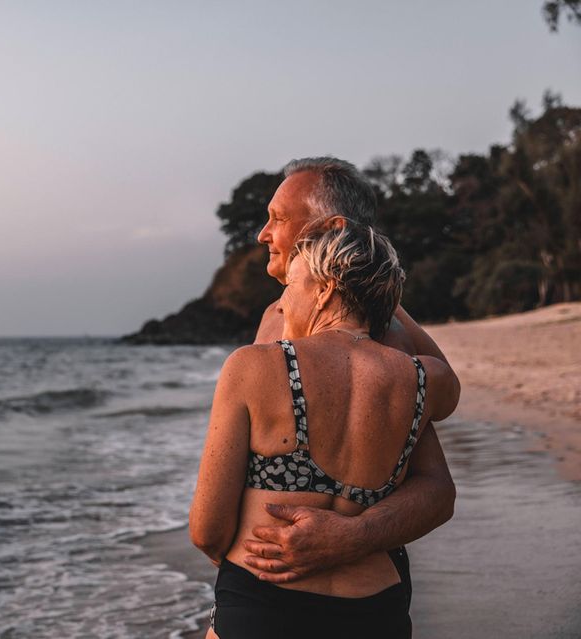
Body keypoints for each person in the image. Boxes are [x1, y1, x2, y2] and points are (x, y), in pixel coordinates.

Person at [189, 224, 460, 637]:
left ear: (325, 289)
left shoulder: (252, 366)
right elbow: (450, 397)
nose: (282, 302)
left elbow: (208, 529)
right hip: (374, 607)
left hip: (265, 596)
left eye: (291, 284)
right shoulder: (426, 379)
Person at [238, 158, 457, 587]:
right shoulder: (271, 317)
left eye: (278, 219)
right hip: (259, 588)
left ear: (333, 229)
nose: (263, 234)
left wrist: (352, 536)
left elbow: (437, 489)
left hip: (347, 596)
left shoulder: (380, 336)